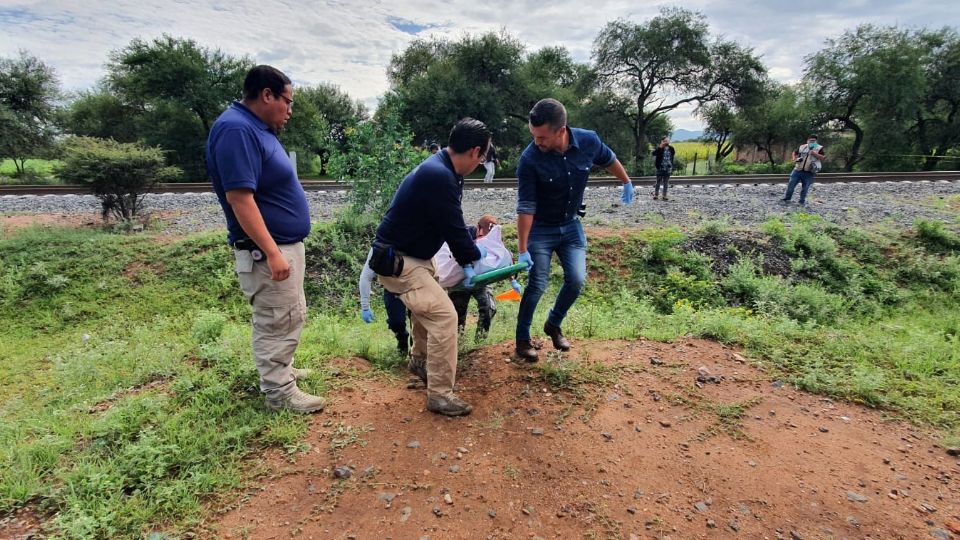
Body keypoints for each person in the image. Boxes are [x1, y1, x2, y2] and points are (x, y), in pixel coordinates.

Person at [207, 65, 325, 414]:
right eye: (287, 102)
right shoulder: (236, 129)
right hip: (267, 250)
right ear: (267, 94)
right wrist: (272, 251)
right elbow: (240, 198)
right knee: (276, 318)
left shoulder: (256, 128)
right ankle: (279, 392)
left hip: (282, 244)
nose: (289, 111)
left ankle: (281, 371)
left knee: (289, 314)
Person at [374, 118, 491, 416]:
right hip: (400, 261)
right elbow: (452, 231)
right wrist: (474, 259)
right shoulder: (439, 175)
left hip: (415, 256)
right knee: (444, 317)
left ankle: (420, 361)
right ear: (475, 151)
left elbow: (445, 220)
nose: (480, 165)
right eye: (482, 159)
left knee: (426, 311)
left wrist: (469, 242)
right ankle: (439, 395)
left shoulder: (444, 170)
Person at [514, 98, 635, 362]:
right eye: (534, 136)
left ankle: (553, 324)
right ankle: (522, 340)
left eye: (543, 137)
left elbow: (609, 158)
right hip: (541, 230)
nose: (537, 142)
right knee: (537, 283)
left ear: (561, 130)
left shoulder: (588, 141)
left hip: (570, 226)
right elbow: (525, 207)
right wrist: (522, 249)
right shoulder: (529, 159)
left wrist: (626, 181)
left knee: (577, 279)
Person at [448, 214, 500, 341]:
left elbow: (501, 258)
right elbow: (450, 255)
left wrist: (513, 279)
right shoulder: (463, 234)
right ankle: (458, 345)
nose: (485, 239)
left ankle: (479, 342)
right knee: (456, 316)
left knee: (488, 307)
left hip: (481, 280)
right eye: (483, 236)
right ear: (478, 227)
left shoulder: (494, 237)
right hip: (460, 281)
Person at [358, 249, 410, 354]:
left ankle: (418, 354)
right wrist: (365, 307)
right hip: (393, 289)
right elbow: (366, 276)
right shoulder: (380, 248)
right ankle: (402, 339)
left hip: (415, 288)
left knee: (420, 324)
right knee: (396, 322)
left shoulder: (417, 241)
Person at [782, 135, 826, 207]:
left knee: (805, 188)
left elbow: (823, 158)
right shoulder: (802, 146)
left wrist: (814, 153)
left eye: (813, 141)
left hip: (809, 172)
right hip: (797, 170)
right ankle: (787, 199)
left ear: (816, 142)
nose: (812, 142)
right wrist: (794, 159)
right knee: (791, 185)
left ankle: (801, 201)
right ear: (807, 140)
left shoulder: (819, 148)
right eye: (810, 140)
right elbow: (794, 152)